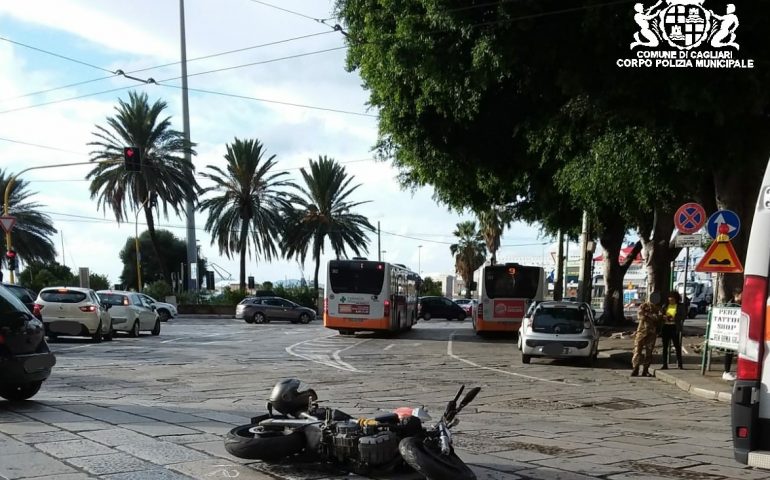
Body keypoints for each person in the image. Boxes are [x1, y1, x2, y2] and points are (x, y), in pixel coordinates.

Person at [631, 296, 662, 377]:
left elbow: (658, 318)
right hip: (641, 332)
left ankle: (645, 369)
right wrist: (649, 315)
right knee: (637, 350)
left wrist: (648, 314)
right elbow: (641, 316)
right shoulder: (643, 306)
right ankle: (635, 368)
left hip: (651, 333)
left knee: (649, 352)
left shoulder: (658, 308)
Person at [661, 291, 685, 369]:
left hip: (674, 327)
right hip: (666, 327)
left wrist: (675, 318)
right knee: (665, 346)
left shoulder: (680, 306)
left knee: (677, 346)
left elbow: (683, 316)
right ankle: (664, 364)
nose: (670, 301)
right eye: (669, 299)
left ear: (676, 299)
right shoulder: (665, 306)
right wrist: (663, 317)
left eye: (672, 299)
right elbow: (661, 314)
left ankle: (680, 363)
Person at [722, 286, 742, 381]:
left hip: (739, 332)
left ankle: (736, 371)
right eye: (742, 294)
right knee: (729, 352)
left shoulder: (741, 304)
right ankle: (726, 371)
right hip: (731, 333)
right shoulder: (731, 305)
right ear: (736, 295)